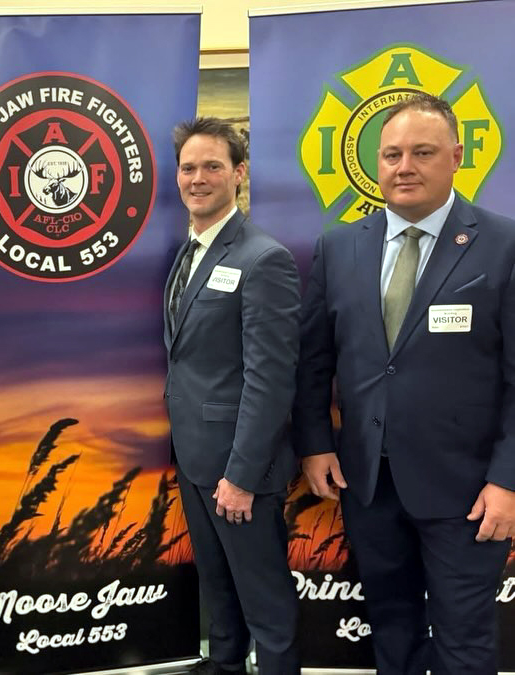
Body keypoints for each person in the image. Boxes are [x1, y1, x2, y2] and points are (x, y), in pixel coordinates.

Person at [294, 92, 515, 674]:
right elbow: (314, 361)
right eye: (392, 155)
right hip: (369, 483)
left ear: (457, 156)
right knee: (392, 631)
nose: (404, 167)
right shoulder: (339, 246)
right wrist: (315, 443)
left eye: (422, 152)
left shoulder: (503, 245)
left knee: (464, 642)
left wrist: (508, 480)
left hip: (468, 491)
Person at [165, 117, 301, 675]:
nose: (198, 178)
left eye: (212, 166)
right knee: (218, 584)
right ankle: (222, 665)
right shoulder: (190, 251)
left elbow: (270, 380)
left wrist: (241, 477)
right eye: (188, 168)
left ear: (239, 173)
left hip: (240, 469)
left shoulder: (263, 259)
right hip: (195, 457)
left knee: (263, 597)